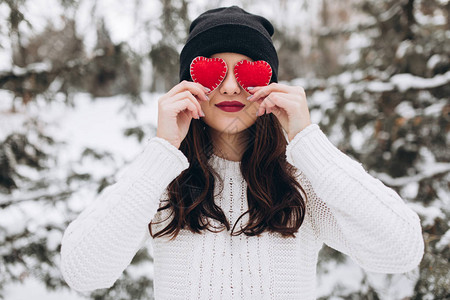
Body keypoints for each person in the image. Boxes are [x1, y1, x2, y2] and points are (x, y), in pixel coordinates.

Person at [60, 5, 424, 300]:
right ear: (188, 84)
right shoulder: (161, 180)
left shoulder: (302, 184)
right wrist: (163, 150)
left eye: (248, 71)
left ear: (271, 86)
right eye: (212, 73)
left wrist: (307, 139)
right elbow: (82, 270)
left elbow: (402, 248)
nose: (231, 87)